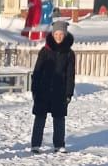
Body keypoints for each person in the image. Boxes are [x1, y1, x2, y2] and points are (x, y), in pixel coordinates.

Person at [30, 19, 76, 153]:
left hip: (59, 91)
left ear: (65, 35)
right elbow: (37, 71)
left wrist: (69, 93)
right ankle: (35, 144)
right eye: (56, 34)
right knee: (39, 118)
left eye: (61, 34)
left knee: (59, 119)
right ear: (53, 34)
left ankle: (59, 145)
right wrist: (35, 89)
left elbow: (70, 75)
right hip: (43, 90)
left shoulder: (69, 53)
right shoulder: (45, 51)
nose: (58, 37)